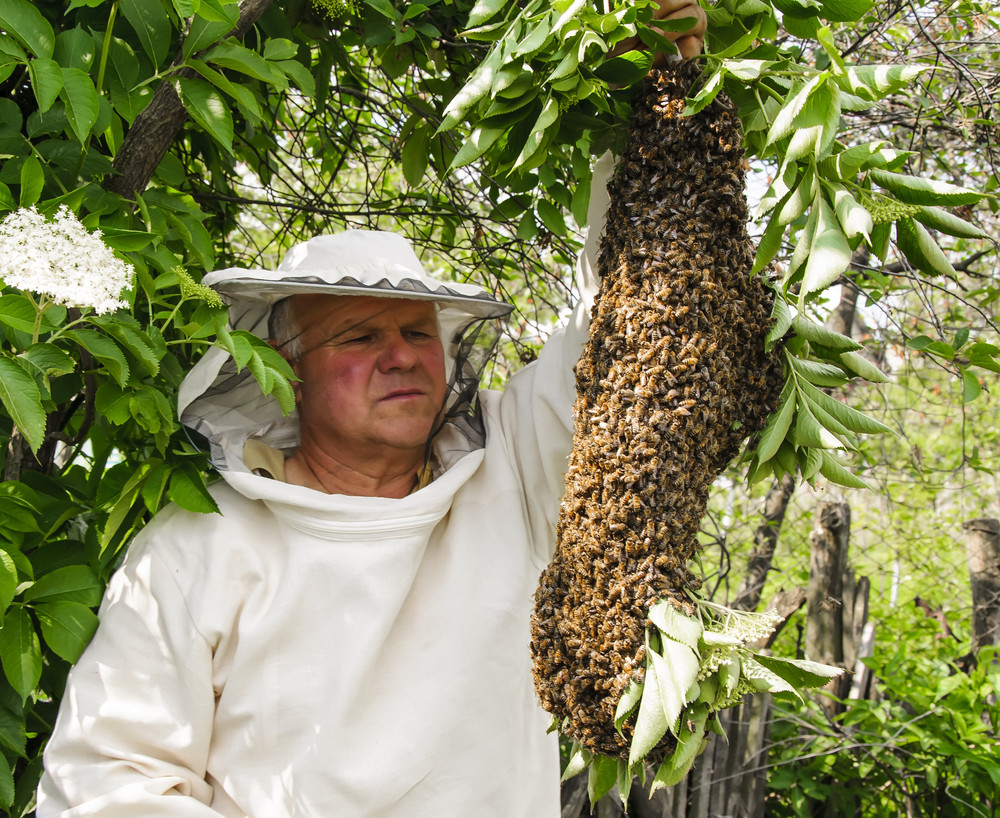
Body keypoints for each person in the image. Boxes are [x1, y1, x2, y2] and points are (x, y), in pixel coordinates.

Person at [36, 4, 706, 816]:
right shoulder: (197, 547)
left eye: (417, 333)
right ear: (291, 370)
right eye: (358, 336)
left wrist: (649, 95)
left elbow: (627, 334)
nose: (401, 356)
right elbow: (105, 784)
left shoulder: (512, 473)